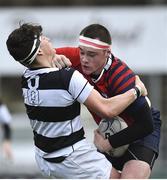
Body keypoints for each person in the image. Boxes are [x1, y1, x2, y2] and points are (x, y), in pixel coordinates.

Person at [6, 23, 147, 179]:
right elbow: (107, 109)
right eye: (42, 38)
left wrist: (53, 57)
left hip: (44, 158)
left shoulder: (26, 77)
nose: (47, 38)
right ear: (39, 50)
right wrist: (136, 90)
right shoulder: (66, 78)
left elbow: (41, 66)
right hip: (71, 157)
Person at [55, 23, 161, 178]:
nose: (84, 59)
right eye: (82, 52)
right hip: (109, 133)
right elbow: (42, 55)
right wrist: (52, 57)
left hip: (139, 133)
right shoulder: (74, 57)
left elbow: (146, 124)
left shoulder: (121, 77)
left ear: (107, 53)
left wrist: (107, 144)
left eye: (91, 55)